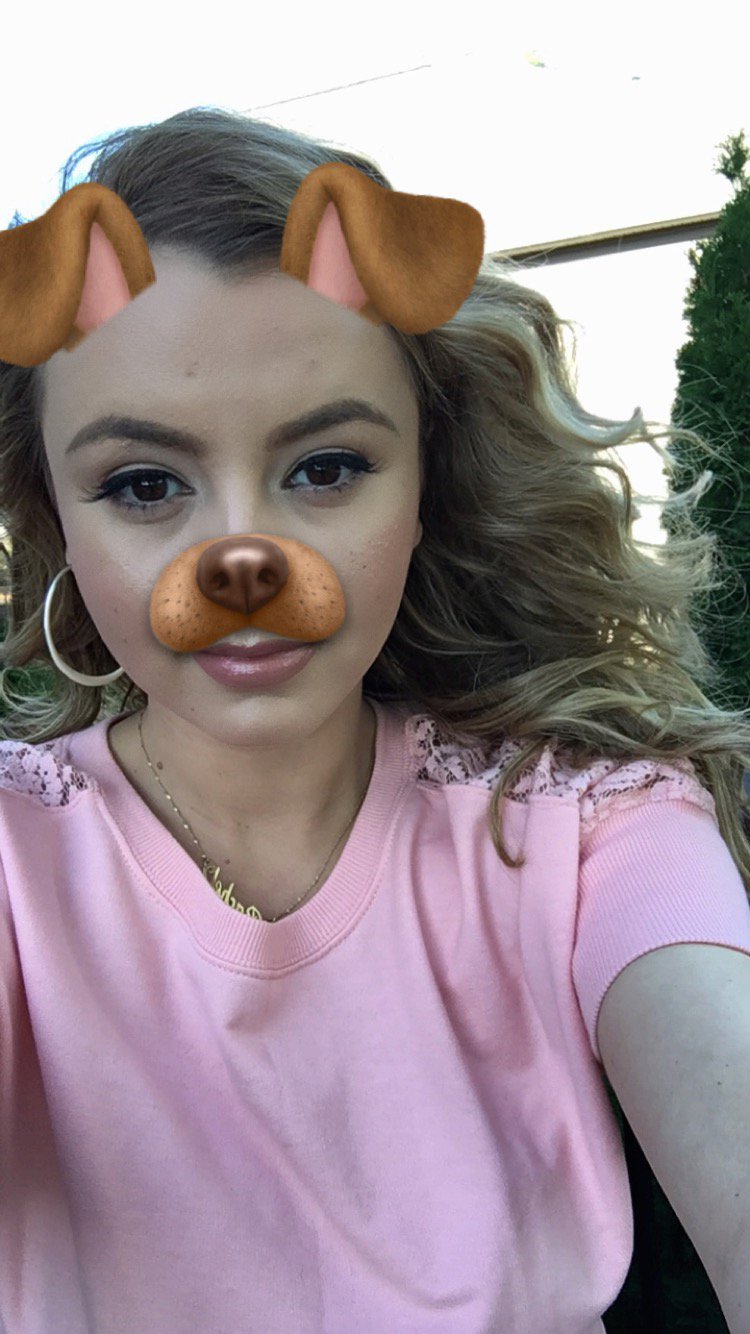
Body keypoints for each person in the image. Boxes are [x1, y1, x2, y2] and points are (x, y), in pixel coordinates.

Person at [1, 106, 749, 1333]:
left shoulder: (591, 823)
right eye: (144, 483)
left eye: (326, 466)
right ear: (54, 521)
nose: (242, 554)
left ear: (425, 484)